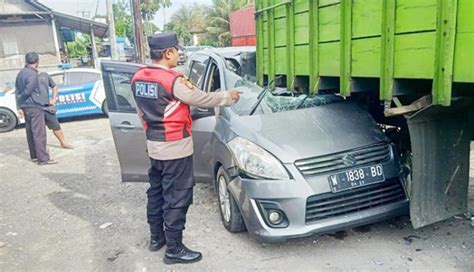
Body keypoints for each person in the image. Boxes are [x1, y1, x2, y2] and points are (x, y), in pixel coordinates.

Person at [131, 32, 241, 264]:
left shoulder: (138, 77)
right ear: (167, 53)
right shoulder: (171, 80)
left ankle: (156, 238)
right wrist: (227, 97)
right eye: (177, 50)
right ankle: (174, 249)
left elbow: (141, 113)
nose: (180, 54)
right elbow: (200, 98)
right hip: (175, 147)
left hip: (154, 145)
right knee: (178, 196)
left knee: (157, 193)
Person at [15, 52, 57, 165]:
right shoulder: (33, 74)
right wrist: (22, 97)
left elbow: (17, 90)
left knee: (30, 131)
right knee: (39, 133)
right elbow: (28, 90)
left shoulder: (20, 73)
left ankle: (34, 155)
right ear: (37, 61)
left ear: (26, 61)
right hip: (35, 106)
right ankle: (43, 159)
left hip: (26, 106)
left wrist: (19, 104)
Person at [37, 72, 73, 149]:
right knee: (38, 130)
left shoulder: (44, 75)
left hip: (47, 106)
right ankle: (41, 149)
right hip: (35, 107)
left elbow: (54, 86)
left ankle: (63, 143)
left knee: (55, 126)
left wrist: (53, 99)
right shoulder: (27, 77)